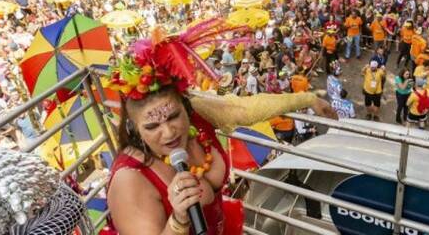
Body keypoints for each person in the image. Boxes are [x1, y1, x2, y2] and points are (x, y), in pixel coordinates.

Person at [106, 19, 336, 235]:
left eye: (174, 116)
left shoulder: (197, 112)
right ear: (133, 127)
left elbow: (245, 109)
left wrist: (308, 99)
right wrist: (178, 219)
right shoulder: (130, 181)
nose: (168, 132)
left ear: (186, 106)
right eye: (152, 126)